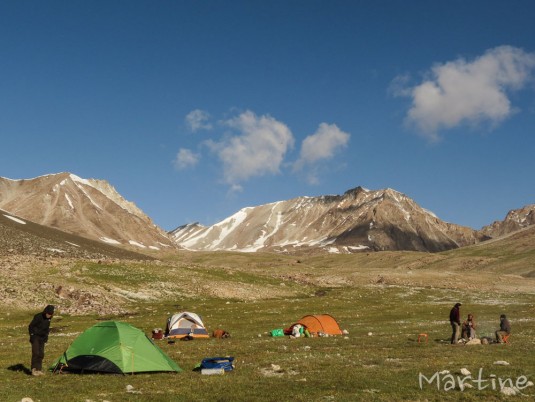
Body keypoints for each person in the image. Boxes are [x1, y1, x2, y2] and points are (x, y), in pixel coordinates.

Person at [28, 305, 54, 376]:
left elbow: (47, 328)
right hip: (35, 336)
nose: (49, 315)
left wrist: (46, 336)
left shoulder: (49, 319)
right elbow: (31, 326)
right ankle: (34, 370)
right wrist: (32, 335)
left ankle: (39, 369)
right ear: (45, 312)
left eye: (51, 314)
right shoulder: (38, 316)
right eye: (48, 314)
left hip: (42, 337)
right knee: (36, 353)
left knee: (41, 354)